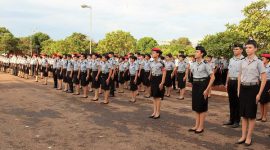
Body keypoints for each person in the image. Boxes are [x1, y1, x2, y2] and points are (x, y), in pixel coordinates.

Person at [236, 39, 266, 146]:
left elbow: (264, 78)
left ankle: (249, 137)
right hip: (243, 89)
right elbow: (239, 75)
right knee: (243, 114)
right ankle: (243, 136)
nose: (248, 49)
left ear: (255, 49)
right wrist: (238, 89)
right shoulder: (242, 61)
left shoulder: (258, 62)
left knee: (251, 115)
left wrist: (259, 93)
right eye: (246, 47)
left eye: (250, 47)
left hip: (253, 89)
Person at [188, 46, 215, 134]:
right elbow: (192, 75)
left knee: (202, 107)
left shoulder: (206, 64)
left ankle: (201, 126)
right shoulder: (193, 64)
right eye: (195, 52)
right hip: (195, 85)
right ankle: (196, 125)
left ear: (202, 54)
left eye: (197, 52)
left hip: (203, 85)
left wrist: (207, 89)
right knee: (196, 106)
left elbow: (212, 77)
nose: (195, 53)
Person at [224, 44, 244, 128]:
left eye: (236, 49)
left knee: (237, 102)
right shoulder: (231, 59)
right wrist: (226, 82)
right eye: (234, 49)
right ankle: (231, 119)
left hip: (238, 82)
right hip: (231, 81)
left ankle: (237, 121)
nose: (234, 50)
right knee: (231, 101)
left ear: (241, 50)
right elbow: (229, 71)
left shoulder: (244, 60)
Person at [149, 48, 166, 119]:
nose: (152, 54)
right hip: (153, 79)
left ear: (158, 54)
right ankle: (154, 111)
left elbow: (164, 72)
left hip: (159, 79)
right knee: (153, 96)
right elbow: (151, 71)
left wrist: (162, 82)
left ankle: (158, 113)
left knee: (158, 97)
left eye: (153, 53)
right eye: (152, 53)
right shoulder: (152, 62)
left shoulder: (161, 63)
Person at [257, 53, 270, 122]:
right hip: (260, 83)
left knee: (265, 101)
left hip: (268, 84)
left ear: (267, 60)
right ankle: (261, 116)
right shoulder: (261, 66)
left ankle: (265, 116)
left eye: (263, 58)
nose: (262, 60)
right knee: (261, 101)